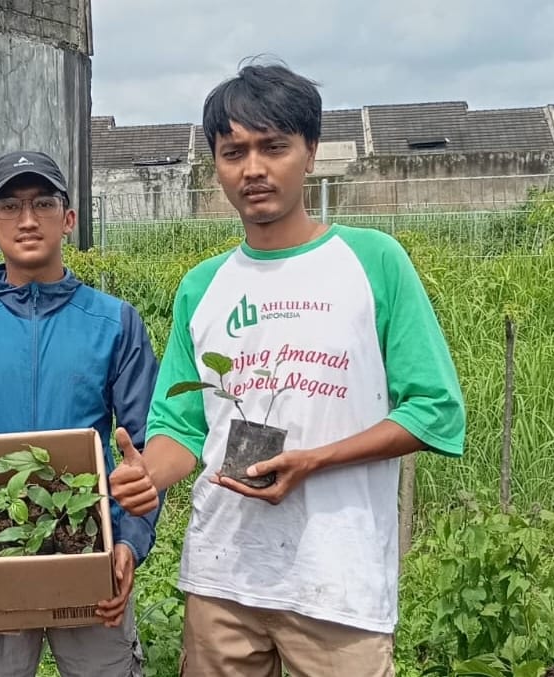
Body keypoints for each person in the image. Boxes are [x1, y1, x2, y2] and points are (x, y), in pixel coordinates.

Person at [108, 60, 467, 676]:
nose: (253, 168)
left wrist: (314, 460)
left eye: (273, 147)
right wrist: (150, 475)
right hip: (222, 581)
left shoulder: (372, 261)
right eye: (233, 152)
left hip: (337, 586)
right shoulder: (202, 286)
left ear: (311, 151)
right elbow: (182, 426)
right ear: (216, 165)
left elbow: (434, 410)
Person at [0, 150, 160, 677]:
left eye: (43, 203)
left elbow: (147, 445)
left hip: (90, 550)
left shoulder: (113, 322)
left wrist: (129, 542)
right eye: (10, 206)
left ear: (69, 218)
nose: (27, 219)